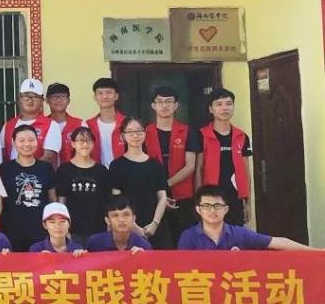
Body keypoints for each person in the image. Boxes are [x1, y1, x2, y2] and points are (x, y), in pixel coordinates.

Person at [28, 201, 85, 304]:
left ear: (69, 224)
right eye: (52, 222)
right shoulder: (35, 248)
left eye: (62, 221)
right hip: (45, 298)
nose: (57, 226)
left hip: (69, 299)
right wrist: (40, 262)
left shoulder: (77, 248)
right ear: (45, 225)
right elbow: (30, 281)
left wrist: (83, 259)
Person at [145, 86, 201, 247]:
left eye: (169, 101)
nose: (164, 105)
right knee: (159, 244)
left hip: (182, 196)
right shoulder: (144, 132)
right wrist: (160, 191)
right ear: (153, 105)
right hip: (153, 197)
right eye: (160, 102)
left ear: (176, 105)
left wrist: (165, 185)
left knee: (184, 243)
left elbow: (190, 166)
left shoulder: (188, 131)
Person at [178, 185, 316, 251]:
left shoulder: (239, 233)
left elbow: (276, 242)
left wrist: (316, 252)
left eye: (217, 206)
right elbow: (180, 269)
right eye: (207, 206)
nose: (212, 210)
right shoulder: (188, 237)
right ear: (198, 209)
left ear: (226, 209)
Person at [108, 117, 170, 248]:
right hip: (128, 227)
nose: (135, 135)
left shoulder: (155, 164)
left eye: (138, 131)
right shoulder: (116, 165)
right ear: (123, 136)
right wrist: (135, 227)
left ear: (144, 133)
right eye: (130, 132)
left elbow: (162, 197)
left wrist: (155, 223)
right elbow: (117, 199)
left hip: (156, 224)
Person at [196, 88, 253, 227]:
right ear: (210, 109)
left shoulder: (241, 136)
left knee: (236, 235)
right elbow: (198, 170)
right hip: (211, 199)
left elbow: (246, 171)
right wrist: (198, 201)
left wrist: (248, 203)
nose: (225, 108)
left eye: (229, 103)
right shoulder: (201, 135)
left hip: (235, 198)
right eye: (219, 104)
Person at [0, 125, 57, 252]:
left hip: (41, 232)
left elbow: (53, 200)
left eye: (31, 140)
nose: (27, 144)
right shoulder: (4, 169)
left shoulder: (46, 168)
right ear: (14, 143)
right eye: (22, 140)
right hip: (11, 231)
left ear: (37, 141)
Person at [55, 126, 109, 245]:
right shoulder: (64, 170)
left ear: (93, 143)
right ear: (73, 143)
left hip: (98, 229)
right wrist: (64, 228)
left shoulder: (102, 171)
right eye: (80, 140)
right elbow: (61, 201)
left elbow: (108, 201)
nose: (85, 144)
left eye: (88, 140)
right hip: (73, 230)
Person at [0, 79, 62, 163]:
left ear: (42, 100)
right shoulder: (8, 125)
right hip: (11, 171)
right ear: (19, 99)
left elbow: (49, 157)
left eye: (35, 96)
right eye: (26, 95)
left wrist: (28, 168)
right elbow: (2, 155)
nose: (30, 100)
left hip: (39, 171)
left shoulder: (51, 125)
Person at [86, 196, 152, 253]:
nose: (121, 220)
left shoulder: (144, 245)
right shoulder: (95, 243)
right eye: (115, 215)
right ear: (107, 220)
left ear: (133, 218)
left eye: (126, 215)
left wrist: (143, 257)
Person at [86, 78, 127, 167]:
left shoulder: (127, 123)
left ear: (116, 96)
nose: (104, 96)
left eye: (109, 92)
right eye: (100, 93)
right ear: (95, 97)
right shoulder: (88, 125)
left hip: (124, 171)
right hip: (97, 172)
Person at [46, 83, 83, 166]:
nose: (59, 100)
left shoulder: (80, 125)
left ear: (68, 100)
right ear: (47, 100)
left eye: (63, 96)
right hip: (47, 172)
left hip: (73, 172)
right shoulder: (41, 124)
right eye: (55, 97)